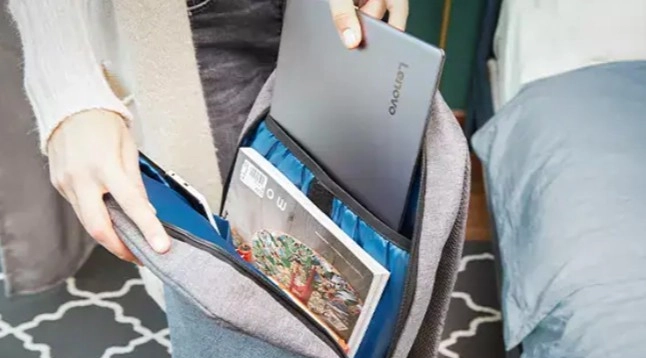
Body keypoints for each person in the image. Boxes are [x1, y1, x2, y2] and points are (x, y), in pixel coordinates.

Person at [8, 0, 408, 268]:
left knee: (350, 215)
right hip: (193, 18)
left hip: (328, 11)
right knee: (231, 256)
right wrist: (67, 83)